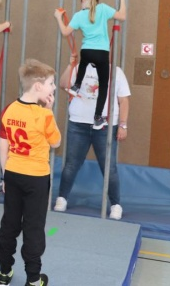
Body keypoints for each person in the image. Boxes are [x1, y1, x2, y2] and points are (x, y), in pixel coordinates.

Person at [0, 59, 62, 286]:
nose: (54, 87)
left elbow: (3, 145)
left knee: (10, 224)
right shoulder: (43, 115)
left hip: (13, 174)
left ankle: (4, 271)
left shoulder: (9, 109)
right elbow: (56, 142)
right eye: (51, 83)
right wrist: (49, 112)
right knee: (33, 227)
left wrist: (5, 175)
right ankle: (33, 279)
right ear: (38, 86)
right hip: (36, 178)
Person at [54, 53, 130, 220]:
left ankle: (116, 204)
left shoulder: (116, 72)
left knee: (109, 167)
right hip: (78, 123)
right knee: (71, 164)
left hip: (104, 126)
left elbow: (124, 100)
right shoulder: (80, 68)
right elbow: (63, 84)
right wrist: (70, 65)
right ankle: (62, 197)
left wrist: (123, 124)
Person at [54, 0, 126, 129]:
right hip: (102, 52)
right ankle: (97, 117)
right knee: (103, 86)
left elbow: (65, 32)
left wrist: (58, 17)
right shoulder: (103, 8)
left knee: (83, 65)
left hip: (86, 51)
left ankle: (76, 85)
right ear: (96, 1)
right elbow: (122, 16)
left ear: (82, 0)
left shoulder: (79, 15)